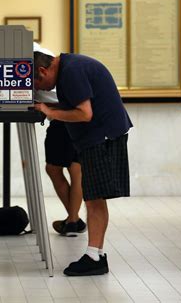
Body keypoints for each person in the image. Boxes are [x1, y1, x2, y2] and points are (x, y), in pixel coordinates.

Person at [33, 52, 132, 276]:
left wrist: (50, 112)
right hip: (102, 135)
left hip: (101, 137)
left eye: (37, 84)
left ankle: (94, 257)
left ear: (42, 70)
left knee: (94, 199)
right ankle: (96, 253)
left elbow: (84, 114)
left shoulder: (71, 72)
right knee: (94, 197)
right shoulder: (71, 66)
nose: (41, 90)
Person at [34, 43, 85, 237]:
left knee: (73, 168)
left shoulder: (38, 57)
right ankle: (74, 220)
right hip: (59, 112)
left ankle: (72, 221)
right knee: (67, 168)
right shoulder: (43, 54)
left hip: (63, 112)